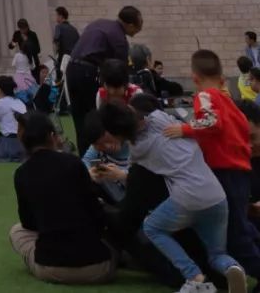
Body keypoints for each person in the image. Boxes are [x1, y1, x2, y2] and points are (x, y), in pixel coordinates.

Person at [103, 96, 247, 293]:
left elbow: (136, 175)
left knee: (152, 227)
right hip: (216, 195)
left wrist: (118, 173)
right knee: (216, 253)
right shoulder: (161, 117)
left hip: (188, 198)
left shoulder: (139, 149)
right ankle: (231, 267)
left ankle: (194, 278)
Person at [163, 49, 260, 280]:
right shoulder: (228, 101)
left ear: (195, 78)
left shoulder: (204, 96)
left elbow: (210, 122)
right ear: (223, 78)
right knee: (242, 227)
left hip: (224, 171)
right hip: (239, 171)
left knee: (235, 234)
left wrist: (184, 129)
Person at [10, 111, 117, 283]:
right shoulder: (73, 163)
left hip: (51, 268)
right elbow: (97, 215)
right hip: (98, 267)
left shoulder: (21, 173)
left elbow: (28, 223)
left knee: (16, 231)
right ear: (52, 136)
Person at [66, 7, 144, 150]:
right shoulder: (119, 38)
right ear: (131, 25)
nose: (137, 31)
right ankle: (100, 153)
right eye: (139, 27)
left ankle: (85, 158)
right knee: (95, 117)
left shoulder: (99, 23)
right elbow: (120, 71)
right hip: (89, 72)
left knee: (79, 118)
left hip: (71, 69)